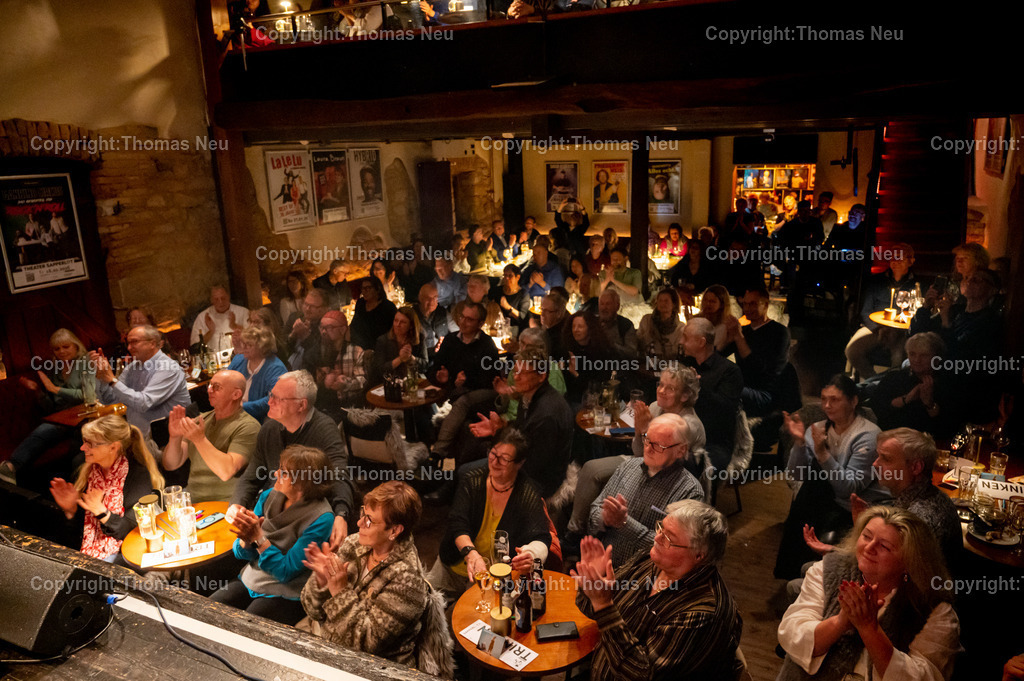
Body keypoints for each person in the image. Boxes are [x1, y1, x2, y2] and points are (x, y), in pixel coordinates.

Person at [777, 507, 959, 681]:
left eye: (885, 546)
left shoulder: (935, 609)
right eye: (866, 536)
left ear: (909, 562)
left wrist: (869, 629)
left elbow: (925, 676)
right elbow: (791, 635)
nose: (869, 547)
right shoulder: (827, 570)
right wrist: (840, 622)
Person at [574, 500, 743, 681]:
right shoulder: (653, 560)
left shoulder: (702, 614)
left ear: (698, 555)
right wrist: (594, 581)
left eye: (669, 538)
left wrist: (603, 604)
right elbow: (592, 612)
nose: (657, 538)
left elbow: (640, 675)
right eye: (660, 528)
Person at [300, 482, 440, 671]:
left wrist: (339, 591)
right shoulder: (354, 544)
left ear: (394, 531)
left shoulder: (408, 581)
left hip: (375, 670)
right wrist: (321, 583)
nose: (358, 524)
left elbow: (364, 646)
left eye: (369, 520)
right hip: (330, 652)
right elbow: (312, 611)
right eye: (362, 514)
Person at [774, 375, 888, 579]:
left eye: (834, 399)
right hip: (826, 501)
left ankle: (808, 579)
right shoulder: (818, 428)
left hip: (856, 507)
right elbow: (796, 474)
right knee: (806, 495)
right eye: (824, 399)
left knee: (809, 499)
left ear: (853, 401)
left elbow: (849, 489)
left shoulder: (867, 435)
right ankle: (797, 578)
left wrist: (823, 454)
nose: (827, 405)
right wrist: (800, 443)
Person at [211, 444, 335, 625]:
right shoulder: (269, 495)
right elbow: (240, 553)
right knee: (211, 608)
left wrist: (258, 538)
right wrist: (246, 539)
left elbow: (286, 571)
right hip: (253, 577)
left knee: (246, 625)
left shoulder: (322, 518)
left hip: (286, 591)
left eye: (283, 472)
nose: (275, 473)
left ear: (301, 483)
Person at [804, 427, 962, 570]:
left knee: (805, 573)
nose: (875, 464)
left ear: (915, 467)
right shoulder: (917, 495)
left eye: (886, 459)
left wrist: (834, 552)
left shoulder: (920, 519)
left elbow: (892, 576)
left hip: (914, 597)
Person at [231, 371, 354, 548]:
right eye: (270, 395)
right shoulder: (269, 428)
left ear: (301, 405)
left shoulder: (324, 429)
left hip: (305, 519)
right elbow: (251, 476)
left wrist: (341, 515)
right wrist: (237, 506)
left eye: (277, 398)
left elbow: (339, 475)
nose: (269, 402)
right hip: (273, 510)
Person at [427, 429, 551, 602]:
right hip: (451, 564)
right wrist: (472, 554)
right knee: (425, 605)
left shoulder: (527, 493)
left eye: (505, 459)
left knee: (469, 622)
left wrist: (531, 553)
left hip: (491, 576)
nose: (495, 461)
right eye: (493, 453)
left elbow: (541, 537)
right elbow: (457, 522)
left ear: (519, 463)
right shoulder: (470, 476)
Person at [588, 413, 705, 566]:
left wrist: (624, 523)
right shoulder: (628, 467)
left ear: (681, 450)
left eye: (658, 445)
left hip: (643, 579)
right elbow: (594, 511)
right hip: (602, 566)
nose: (648, 449)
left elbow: (671, 549)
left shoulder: (690, 492)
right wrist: (605, 518)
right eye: (647, 439)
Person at [48, 414, 164, 561]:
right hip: (85, 553)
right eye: (84, 442)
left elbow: (134, 531)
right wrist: (70, 511)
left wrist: (101, 512)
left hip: (124, 553)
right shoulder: (82, 469)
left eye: (90, 444)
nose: (83, 448)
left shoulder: (138, 476)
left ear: (113, 447)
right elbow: (75, 536)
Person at [467, 347, 574, 497]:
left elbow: (535, 465)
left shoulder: (547, 415)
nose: (515, 377)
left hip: (540, 482)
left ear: (541, 376)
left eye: (522, 373)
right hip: (525, 464)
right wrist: (500, 429)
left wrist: (502, 462)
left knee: (467, 474)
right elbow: (522, 431)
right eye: (515, 371)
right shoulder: (528, 396)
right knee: (473, 448)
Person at [3, 329, 95, 482]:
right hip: (63, 420)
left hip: (86, 416)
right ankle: (10, 468)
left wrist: (55, 389)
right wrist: (38, 391)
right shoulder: (56, 369)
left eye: (66, 347)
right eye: (57, 348)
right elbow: (52, 408)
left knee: (75, 445)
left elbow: (88, 396)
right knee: (44, 430)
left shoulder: (86, 363)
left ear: (76, 346)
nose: (61, 351)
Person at [161, 369, 260, 502]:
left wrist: (200, 440)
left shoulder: (249, 427)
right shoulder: (200, 420)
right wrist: (175, 438)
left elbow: (226, 472)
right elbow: (171, 464)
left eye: (216, 387)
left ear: (236, 394)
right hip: (192, 499)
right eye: (210, 385)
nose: (209, 390)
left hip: (227, 502)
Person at [88, 325, 191, 437]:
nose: (129, 348)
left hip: (169, 437)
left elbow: (144, 403)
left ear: (152, 343)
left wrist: (112, 380)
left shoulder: (168, 368)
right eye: (128, 343)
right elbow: (109, 399)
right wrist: (101, 376)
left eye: (134, 342)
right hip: (141, 436)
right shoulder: (132, 368)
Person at [863, 332, 955, 437]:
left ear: (937, 359)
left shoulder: (947, 384)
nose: (917, 360)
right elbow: (877, 410)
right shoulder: (894, 378)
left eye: (923, 355)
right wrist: (906, 399)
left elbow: (947, 428)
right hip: (892, 439)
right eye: (912, 354)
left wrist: (929, 404)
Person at [846, 243, 917, 379]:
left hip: (900, 331)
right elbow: (865, 311)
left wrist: (899, 329)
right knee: (852, 350)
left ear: (911, 261)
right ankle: (873, 382)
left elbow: (915, 313)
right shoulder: (877, 281)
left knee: (898, 359)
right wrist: (877, 328)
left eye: (900, 257)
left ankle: (890, 388)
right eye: (892, 257)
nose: (895, 261)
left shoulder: (916, 285)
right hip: (876, 327)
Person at [681, 317, 743, 471]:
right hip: (683, 436)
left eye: (686, 338)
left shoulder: (729, 371)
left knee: (682, 465)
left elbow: (726, 409)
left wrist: (698, 387)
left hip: (714, 443)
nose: (681, 342)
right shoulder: (685, 364)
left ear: (701, 342)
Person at [723, 284, 792, 418]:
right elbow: (718, 355)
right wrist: (728, 336)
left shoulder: (779, 332)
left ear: (765, 305)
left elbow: (759, 368)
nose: (747, 309)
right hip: (743, 387)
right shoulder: (744, 330)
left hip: (765, 393)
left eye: (753, 304)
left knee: (728, 389)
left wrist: (738, 337)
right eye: (745, 304)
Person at [428, 301, 499, 401]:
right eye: (462, 317)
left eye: (469, 319)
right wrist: (440, 377)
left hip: (474, 398)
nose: (462, 322)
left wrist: (466, 381)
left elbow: (491, 379)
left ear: (480, 324)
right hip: (447, 393)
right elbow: (435, 368)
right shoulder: (450, 340)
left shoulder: (487, 345)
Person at [227, 325, 288, 423]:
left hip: (257, 419)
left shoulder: (275, 368)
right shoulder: (238, 359)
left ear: (263, 347)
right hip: (232, 412)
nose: (244, 347)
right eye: (243, 343)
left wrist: (241, 407)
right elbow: (225, 383)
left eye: (249, 345)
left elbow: (273, 399)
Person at [312, 310, 366, 416]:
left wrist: (345, 384)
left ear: (343, 330)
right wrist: (322, 380)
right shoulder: (314, 352)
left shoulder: (356, 351)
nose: (324, 332)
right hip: (322, 408)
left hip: (349, 408)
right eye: (322, 327)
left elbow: (362, 381)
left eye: (330, 328)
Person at [372, 305, 424, 386]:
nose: (397, 324)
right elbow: (379, 370)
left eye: (403, 322)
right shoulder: (383, 340)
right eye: (396, 320)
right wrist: (400, 359)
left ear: (411, 326)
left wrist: (411, 358)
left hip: (412, 381)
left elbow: (425, 365)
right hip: (390, 383)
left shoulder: (419, 337)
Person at [190, 285, 249, 354]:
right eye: (216, 299)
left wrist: (235, 326)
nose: (220, 302)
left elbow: (254, 337)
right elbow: (195, 348)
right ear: (211, 300)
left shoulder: (243, 312)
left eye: (223, 298)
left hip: (240, 356)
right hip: (213, 360)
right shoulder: (202, 317)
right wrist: (211, 331)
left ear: (228, 296)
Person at [638, 288, 685, 372]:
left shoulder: (681, 328)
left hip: (671, 370)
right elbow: (638, 343)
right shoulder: (647, 321)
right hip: (648, 368)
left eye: (666, 301)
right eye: (660, 300)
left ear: (674, 304)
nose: (662, 304)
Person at [287, 288, 330, 370]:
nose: (307, 309)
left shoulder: (327, 328)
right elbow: (283, 350)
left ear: (325, 309)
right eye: (306, 304)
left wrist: (306, 338)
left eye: (312, 306)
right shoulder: (294, 317)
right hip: (288, 369)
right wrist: (293, 334)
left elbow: (319, 360)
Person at [349, 276, 397, 350]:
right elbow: (355, 325)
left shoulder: (388, 307)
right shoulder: (360, 303)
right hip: (359, 346)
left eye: (367, 288)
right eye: (362, 288)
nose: (364, 291)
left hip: (380, 347)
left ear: (377, 289)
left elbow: (392, 332)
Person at [595, 289, 639, 363]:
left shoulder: (625, 325)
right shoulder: (592, 323)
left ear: (617, 306)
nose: (604, 308)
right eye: (602, 304)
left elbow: (632, 353)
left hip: (619, 366)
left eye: (608, 304)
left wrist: (612, 345)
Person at [413, 282, 450, 361]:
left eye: (435, 297)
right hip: (422, 361)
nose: (431, 301)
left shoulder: (442, 312)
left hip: (442, 359)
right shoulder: (413, 315)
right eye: (427, 298)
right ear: (420, 298)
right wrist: (433, 350)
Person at [697, 284, 738, 353]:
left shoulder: (726, 325)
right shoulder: (698, 319)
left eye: (712, 301)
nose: (707, 304)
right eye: (705, 300)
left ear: (722, 304)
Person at [497, 263, 531, 336]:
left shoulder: (523, 294)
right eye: (505, 275)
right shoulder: (498, 291)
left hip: (514, 330)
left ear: (517, 277)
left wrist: (508, 307)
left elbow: (522, 317)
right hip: (498, 327)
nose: (506, 278)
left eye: (510, 276)